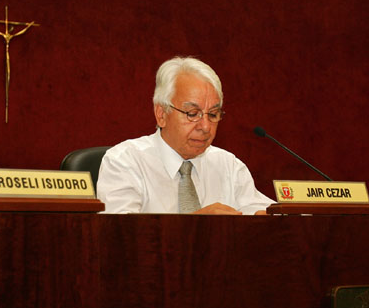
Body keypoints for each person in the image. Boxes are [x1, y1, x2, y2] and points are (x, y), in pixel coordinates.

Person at [97, 56, 274, 214]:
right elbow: (120, 238)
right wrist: (197, 227)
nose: (205, 126)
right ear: (162, 114)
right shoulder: (124, 162)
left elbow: (266, 213)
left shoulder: (230, 167)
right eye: (192, 113)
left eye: (212, 114)